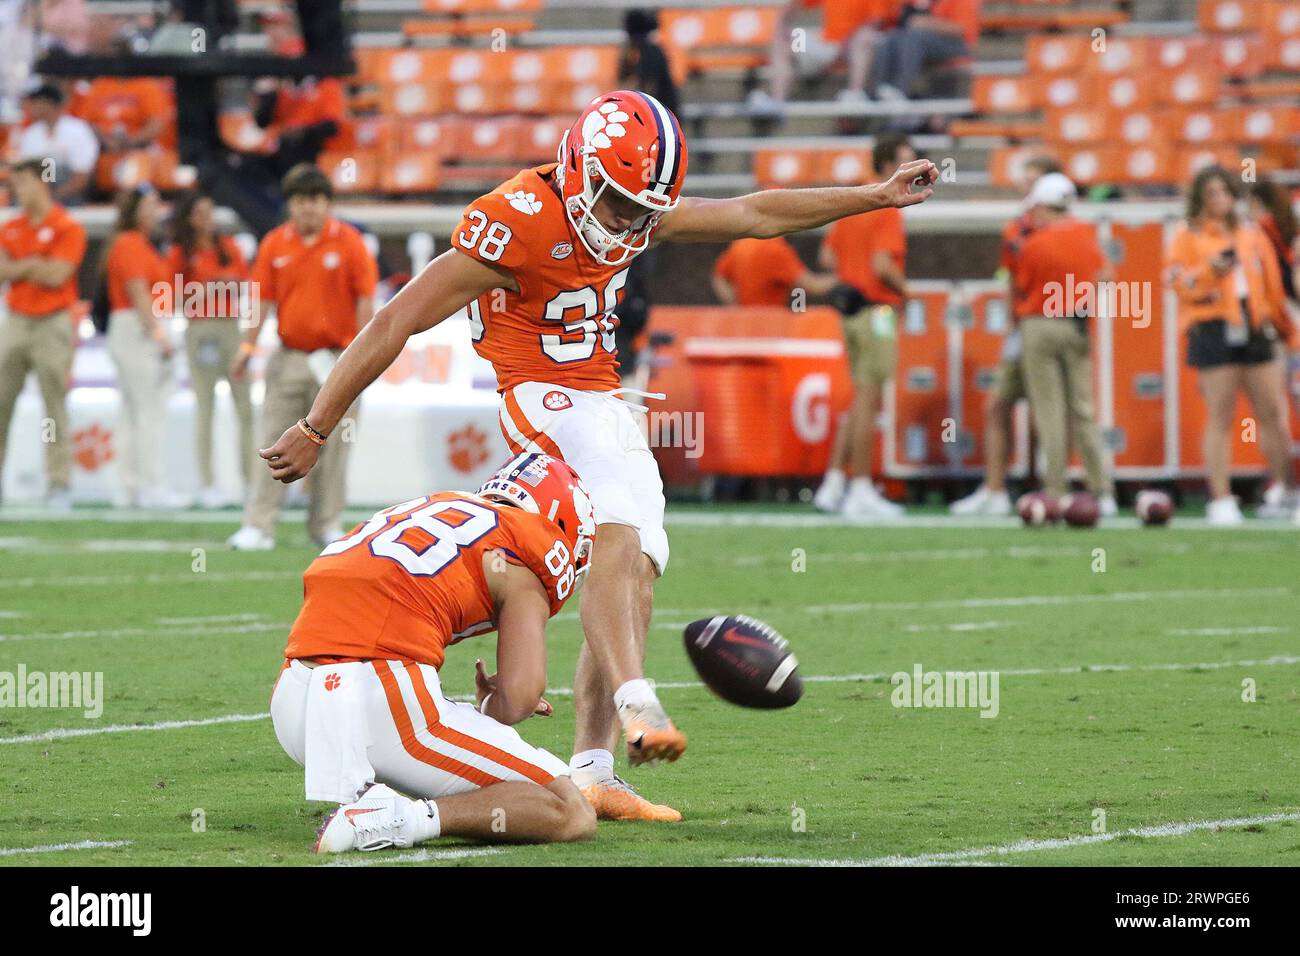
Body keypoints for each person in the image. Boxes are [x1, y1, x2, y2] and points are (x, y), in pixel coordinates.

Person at [257, 89, 938, 821]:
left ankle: (595, 768)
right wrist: (320, 424)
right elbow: (397, 319)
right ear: (579, 170)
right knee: (619, 516)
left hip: (599, 397)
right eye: (617, 202)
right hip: (540, 393)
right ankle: (636, 699)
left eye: (643, 209)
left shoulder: (634, 203)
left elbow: (754, 213)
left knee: (638, 558)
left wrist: (873, 196)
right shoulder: (516, 223)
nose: (629, 222)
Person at [272, 454, 598, 853]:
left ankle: (371, 799)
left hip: (293, 702)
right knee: (570, 810)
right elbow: (519, 697)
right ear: (561, 520)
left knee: (443, 725)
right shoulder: (524, 545)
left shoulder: (436, 505)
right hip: (380, 703)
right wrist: (496, 704)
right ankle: (399, 819)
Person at [227, 164, 378, 549]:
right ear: (290, 204)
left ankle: (326, 524)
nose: (307, 209)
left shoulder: (351, 243)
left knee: (336, 444)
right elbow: (261, 299)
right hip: (290, 355)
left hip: (338, 358)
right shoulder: (275, 244)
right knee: (274, 440)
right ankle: (259, 525)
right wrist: (247, 346)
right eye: (299, 201)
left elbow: (366, 302)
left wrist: (361, 355)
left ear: (326, 203)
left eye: (314, 200)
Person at [1165, 166, 1294, 526]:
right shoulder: (1187, 236)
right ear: (1200, 197)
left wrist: (1285, 331)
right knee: (1220, 416)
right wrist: (1210, 271)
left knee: (1272, 413)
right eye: (1211, 192)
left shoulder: (1251, 235)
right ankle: (1221, 498)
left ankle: (1285, 489)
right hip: (1213, 327)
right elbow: (1176, 282)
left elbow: (1271, 287)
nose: (1218, 198)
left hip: (1254, 327)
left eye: (1224, 191)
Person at [951, 155, 1062, 516]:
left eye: (1034, 180)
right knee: (999, 405)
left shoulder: (1062, 229)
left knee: (1050, 411)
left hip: (1051, 325)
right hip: (1024, 326)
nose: (1025, 187)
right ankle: (997, 489)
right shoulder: (1017, 229)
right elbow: (1010, 279)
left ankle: (1051, 488)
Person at [812, 133, 915, 517]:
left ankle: (835, 481)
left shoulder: (856, 202)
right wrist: (909, 292)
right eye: (906, 160)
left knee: (859, 399)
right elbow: (883, 266)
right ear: (889, 165)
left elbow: (826, 255)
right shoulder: (888, 207)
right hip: (879, 311)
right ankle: (860, 487)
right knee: (869, 400)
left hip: (851, 311)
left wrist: (849, 268)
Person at [1014, 172, 1116, 511]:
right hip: (1075, 325)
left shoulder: (1034, 243)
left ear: (1044, 206)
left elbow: (1022, 285)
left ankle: (1055, 490)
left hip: (1039, 325)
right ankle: (1102, 490)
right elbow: (1106, 276)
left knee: (1049, 411)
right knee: (1083, 410)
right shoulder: (1087, 237)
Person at [0, 157, 86, 510]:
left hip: (53, 321)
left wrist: (20, 268)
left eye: (21, 182)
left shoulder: (67, 226)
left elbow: (57, 275)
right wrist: (36, 264)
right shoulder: (10, 228)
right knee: (1, 403)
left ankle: (59, 483)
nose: (16, 191)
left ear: (40, 182)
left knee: (54, 404)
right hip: (16, 319)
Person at [169, 190, 254, 509]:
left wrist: (207, 286)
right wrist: (214, 286)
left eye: (210, 212)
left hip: (230, 327)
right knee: (205, 407)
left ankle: (249, 480)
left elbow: (244, 283)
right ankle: (207, 482)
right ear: (189, 218)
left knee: (244, 406)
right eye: (200, 213)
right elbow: (173, 296)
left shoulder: (227, 247)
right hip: (200, 329)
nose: (207, 219)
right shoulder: (181, 252)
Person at [102, 184, 176, 508]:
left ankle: (128, 487)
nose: (156, 210)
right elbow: (138, 293)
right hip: (136, 328)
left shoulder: (142, 244)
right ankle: (149, 485)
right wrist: (159, 334)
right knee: (147, 410)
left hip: (136, 326)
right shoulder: (130, 244)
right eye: (149, 204)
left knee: (134, 411)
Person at [870, 0, 981, 102]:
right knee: (890, 37)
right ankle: (880, 89)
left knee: (913, 38)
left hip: (958, 47)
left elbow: (961, 29)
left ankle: (899, 88)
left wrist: (926, 23)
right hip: (927, 44)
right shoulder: (929, 3)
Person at [17, 82, 98, 204]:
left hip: (72, 192)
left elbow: (82, 177)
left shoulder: (78, 130)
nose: (32, 106)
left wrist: (54, 197)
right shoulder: (31, 134)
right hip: (42, 189)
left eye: (37, 102)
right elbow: (29, 172)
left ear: (50, 104)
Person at [711, 236, 836, 307]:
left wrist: (735, 305)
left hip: (745, 321)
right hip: (769, 323)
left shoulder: (743, 243)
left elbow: (718, 276)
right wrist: (844, 278)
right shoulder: (775, 250)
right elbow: (811, 286)